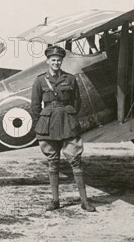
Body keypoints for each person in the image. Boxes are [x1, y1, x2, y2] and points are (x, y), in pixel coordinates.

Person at [31, 45, 96, 212]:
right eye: (53, 60)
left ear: (62, 61)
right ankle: (55, 201)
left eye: (59, 60)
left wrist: (70, 115)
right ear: (47, 61)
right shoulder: (40, 80)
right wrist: (44, 120)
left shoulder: (70, 79)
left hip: (68, 123)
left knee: (76, 161)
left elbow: (77, 101)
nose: (56, 62)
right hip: (48, 125)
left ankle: (84, 201)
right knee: (53, 162)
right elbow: (35, 106)